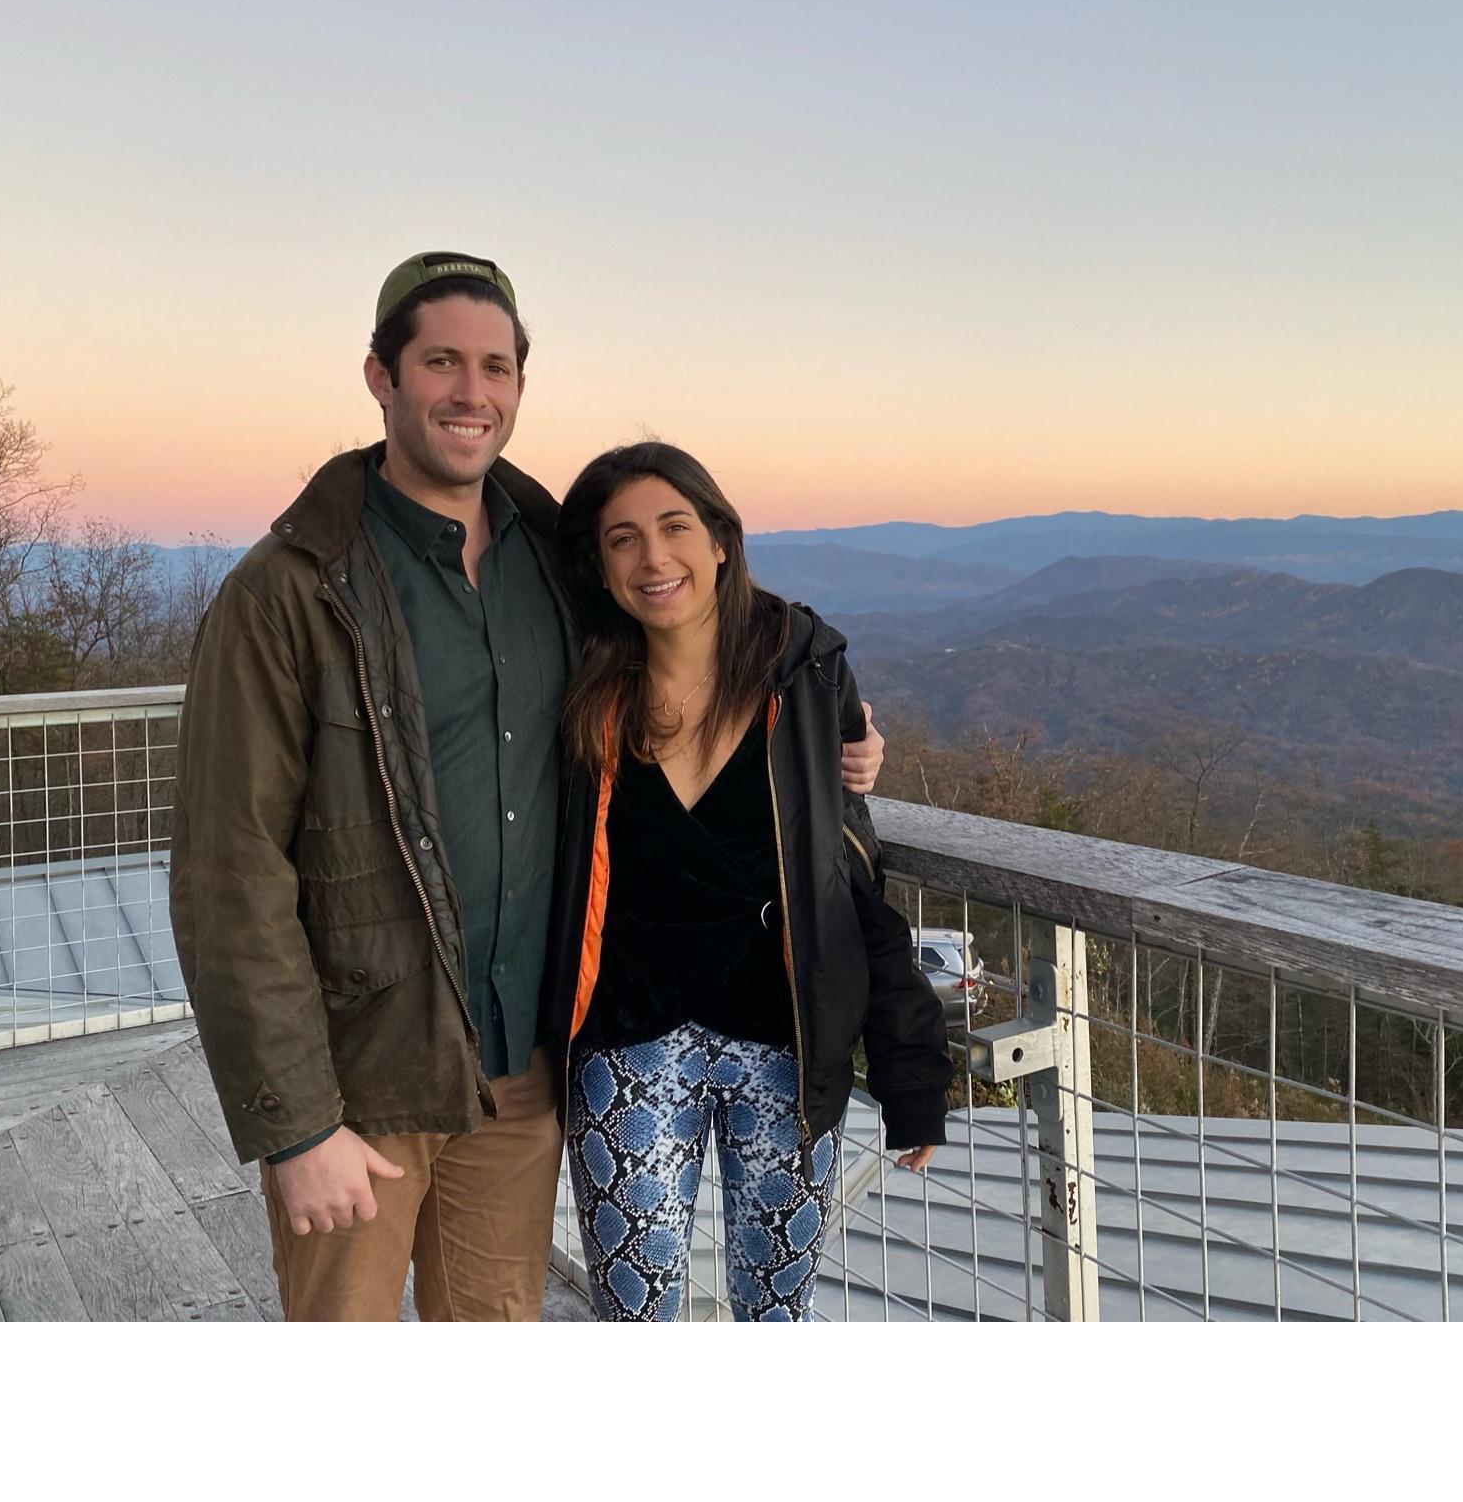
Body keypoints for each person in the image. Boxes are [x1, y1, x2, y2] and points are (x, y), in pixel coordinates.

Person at [168, 254, 884, 1321]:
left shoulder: (556, 563)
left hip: (521, 1073)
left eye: (496, 366)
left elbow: (695, 617)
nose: (472, 392)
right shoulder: (290, 590)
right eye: (442, 361)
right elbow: (231, 869)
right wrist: (297, 1124)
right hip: (366, 1080)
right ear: (381, 375)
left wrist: (838, 717)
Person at [544, 441, 951, 1321]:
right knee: (634, 1314)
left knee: (776, 1312)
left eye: (674, 526)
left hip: (787, 1049)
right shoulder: (576, 681)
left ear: (721, 539)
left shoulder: (803, 672)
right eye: (622, 538)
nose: (653, 557)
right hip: (627, 1045)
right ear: (598, 563)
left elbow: (846, 877)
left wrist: (910, 1071)